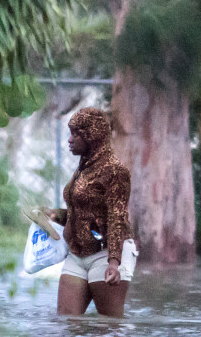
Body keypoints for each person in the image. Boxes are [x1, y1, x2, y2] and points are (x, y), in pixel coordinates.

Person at [45, 107, 135, 318]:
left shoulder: (114, 170)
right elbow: (83, 214)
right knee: (67, 324)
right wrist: (53, 215)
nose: (70, 140)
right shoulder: (84, 168)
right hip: (77, 255)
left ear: (91, 136)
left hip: (106, 254)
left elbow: (116, 216)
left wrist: (114, 262)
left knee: (110, 328)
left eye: (76, 134)